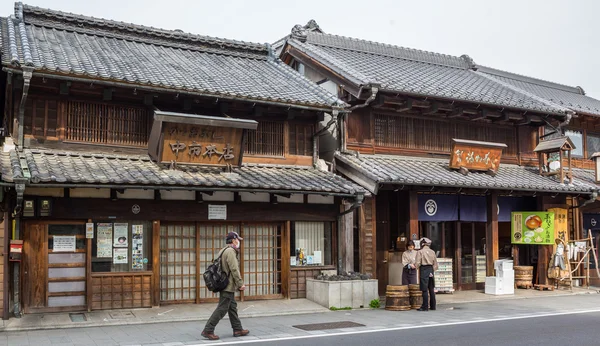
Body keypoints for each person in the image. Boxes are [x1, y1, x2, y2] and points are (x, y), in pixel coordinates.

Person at [201, 231, 250, 340]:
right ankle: (208, 330)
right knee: (222, 308)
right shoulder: (231, 252)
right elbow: (234, 269)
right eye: (238, 240)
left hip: (224, 283)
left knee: (232, 308)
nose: (239, 242)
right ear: (233, 240)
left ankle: (237, 329)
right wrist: (240, 283)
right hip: (228, 285)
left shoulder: (222, 250)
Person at [415, 237, 438, 311]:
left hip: (424, 269)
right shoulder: (432, 252)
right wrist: (432, 270)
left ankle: (425, 307)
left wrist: (416, 267)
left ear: (422, 244)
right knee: (431, 288)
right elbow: (436, 264)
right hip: (431, 269)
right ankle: (433, 306)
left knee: (424, 289)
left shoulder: (420, 252)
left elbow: (417, 263)